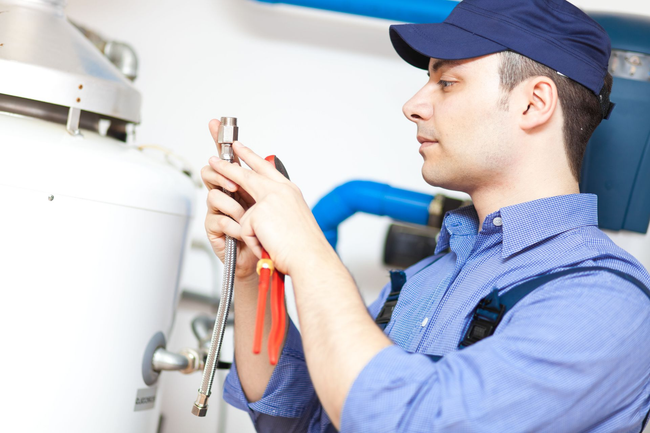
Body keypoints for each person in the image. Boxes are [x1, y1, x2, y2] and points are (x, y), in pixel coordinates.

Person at [200, 0, 650, 431]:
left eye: (447, 82)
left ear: (533, 104)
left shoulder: (605, 302)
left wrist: (309, 252)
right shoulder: (425, 277)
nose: (412, 104)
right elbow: (303, 423)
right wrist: (248, 278)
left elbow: (409, 422)